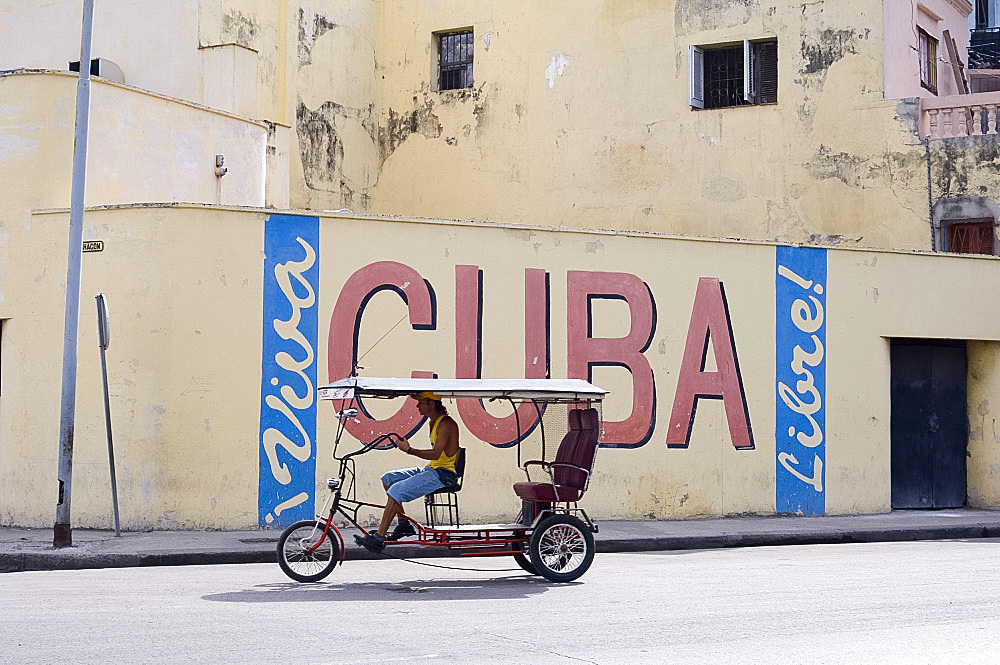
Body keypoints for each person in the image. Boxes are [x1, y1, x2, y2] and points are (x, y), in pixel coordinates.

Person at [354, 391, 460, 554]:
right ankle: (403, 524)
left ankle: (378, 538)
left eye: (421, 403)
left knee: (395, 491)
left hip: (443, 474)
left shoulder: (446, 423)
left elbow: (436, 454)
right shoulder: (433, 422)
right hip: (432, 469)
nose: (418, 406)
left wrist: (409, 450)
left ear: (431, 404)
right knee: (388, 479)